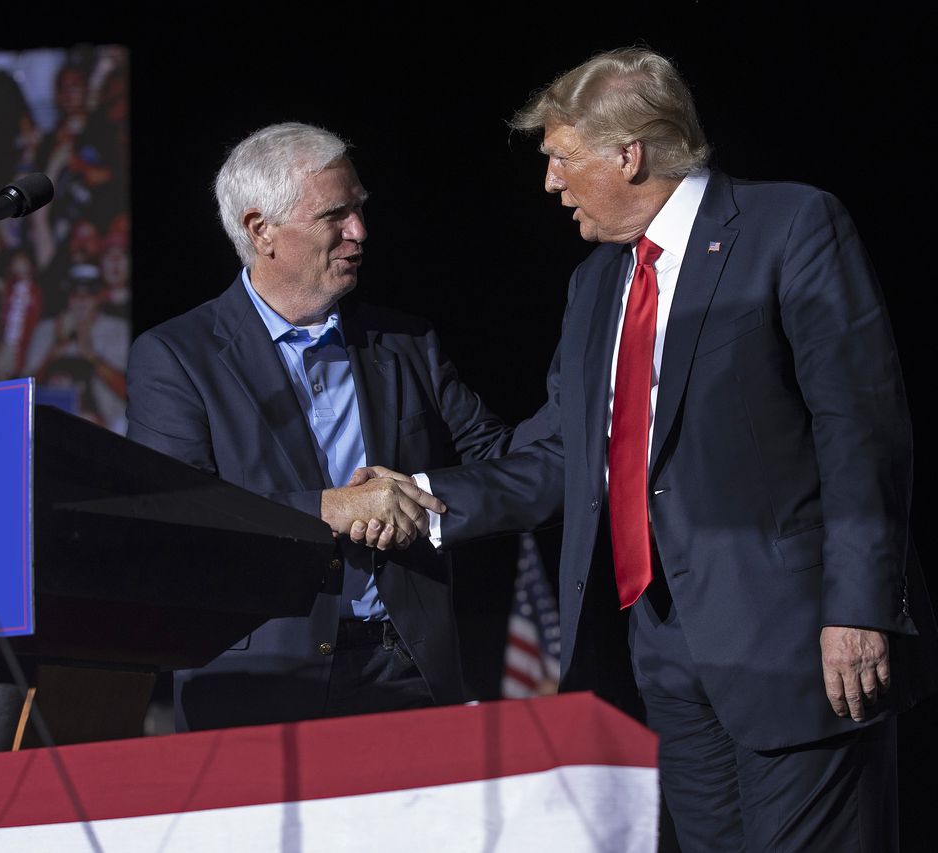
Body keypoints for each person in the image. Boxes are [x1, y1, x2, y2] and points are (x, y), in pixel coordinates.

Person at [354, 48, 937, 851]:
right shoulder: (596, 285)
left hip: (802, 645)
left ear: (628, 154)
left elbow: (861, 430)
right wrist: (420, 496)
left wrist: (859, 607)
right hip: (661, 652)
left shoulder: (791, 225)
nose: (550, 184)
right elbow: (562, 457)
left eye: (560, 159)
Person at [125, 122, 517, 732]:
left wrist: (591, 396)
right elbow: (180, 515)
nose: (359, 233)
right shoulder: (177, 356)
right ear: (261, 231)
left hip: (406, 668)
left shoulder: (405, 341)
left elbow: (501, 463)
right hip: (257, 684)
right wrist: (328, 508)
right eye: (334, 215)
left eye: (359, 210)